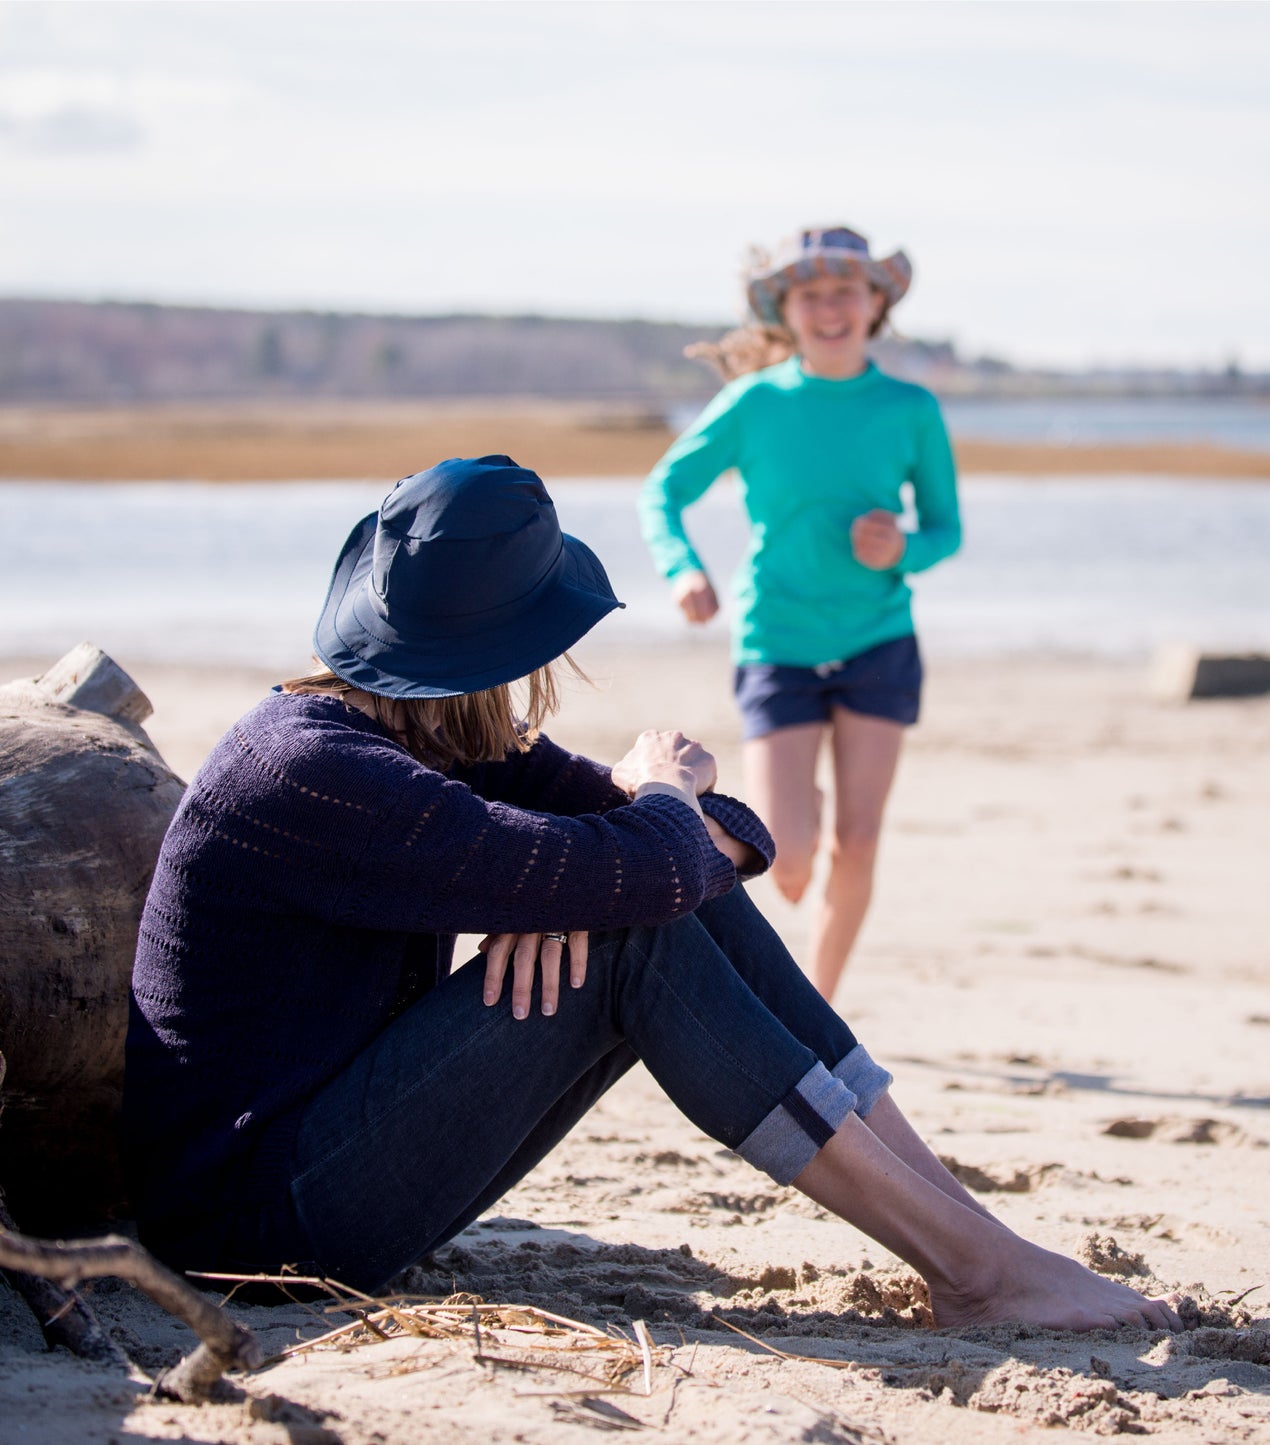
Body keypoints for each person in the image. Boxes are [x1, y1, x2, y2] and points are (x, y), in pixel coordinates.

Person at [124, 455, 1179, 1333]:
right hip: (254, 1225)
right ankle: (975, 1270)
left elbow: (730, 847)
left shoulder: (436, 735)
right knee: (635, 926)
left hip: (329, 1168)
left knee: (649, 892)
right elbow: (668, 847)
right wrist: (654, 811)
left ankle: (972, 1236)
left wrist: (638, 836)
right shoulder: (316, 771)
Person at [638, 225, 962, 1001]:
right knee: (784, 860)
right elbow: (663, 491)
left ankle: (818, 1001)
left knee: (858, 841)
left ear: (875, 302)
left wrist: (902, 551)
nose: (828, 308)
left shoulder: (909, 407)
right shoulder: (753, 402)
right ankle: (801, 814)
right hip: (776, 640)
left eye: (844, 290)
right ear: (783, 308)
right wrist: (682, 569)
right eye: (809, 294)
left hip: (876, 642)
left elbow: (945, 529)